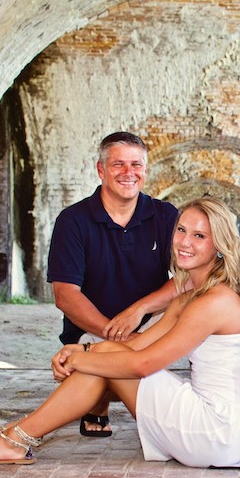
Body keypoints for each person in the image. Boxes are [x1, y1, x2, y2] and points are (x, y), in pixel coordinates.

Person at [0, 198, 240, 468]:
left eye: (199, 236)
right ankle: (17, 434)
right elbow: (139, 343)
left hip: (215, 433)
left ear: (219, 246)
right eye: (181, 230)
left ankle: (16, 436)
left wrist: (78, 360)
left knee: (104, 364)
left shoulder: (215, 301)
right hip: (211, 425)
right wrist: (82, 351)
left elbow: (143, 365)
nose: (184, 242)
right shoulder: (190, 296)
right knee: (100, 350)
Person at [47, 132, 179, 436]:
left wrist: (140, 310)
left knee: (112, 360)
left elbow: (191, 278)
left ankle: (110, 404)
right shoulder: (73, 220)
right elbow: (65, 295)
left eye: (136, 164)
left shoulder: (165, 216)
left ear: (145, 171)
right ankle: (102, 405)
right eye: (118, 164)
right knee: (103, 356)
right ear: (101, 170)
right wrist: (114, 335)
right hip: (91, 327)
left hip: (149, 325)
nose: (128, 172)